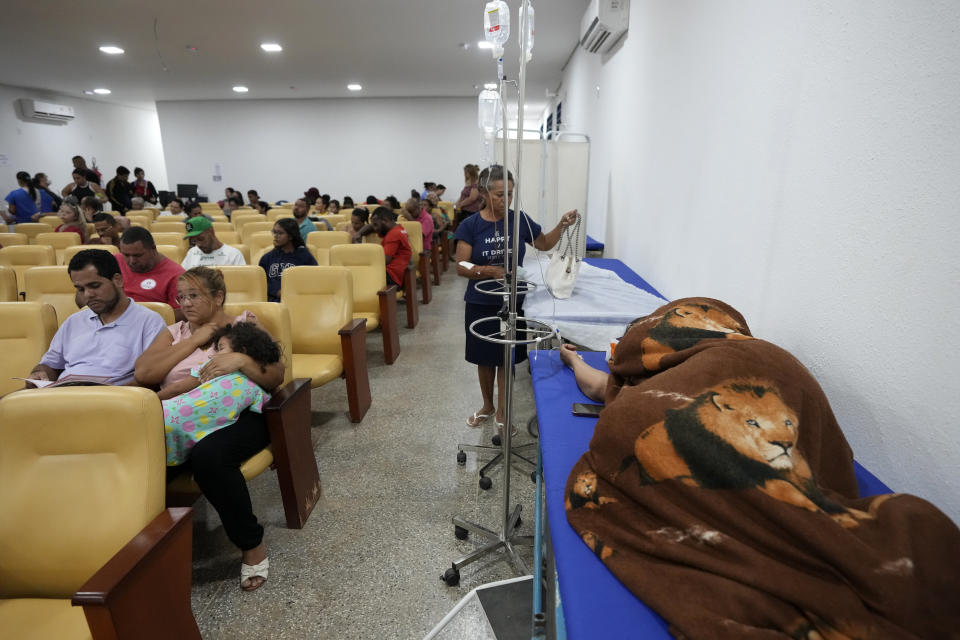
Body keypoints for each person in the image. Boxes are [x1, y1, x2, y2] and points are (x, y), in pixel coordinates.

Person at [135, 267, 284, 591]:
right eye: (181, 297)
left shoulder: (243, 324)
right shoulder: (174, 332)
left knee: (210, 458)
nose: (186, 304)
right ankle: (132, 557)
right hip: (175, 412)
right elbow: (145, 373)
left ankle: (251, 543)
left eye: (194, 296)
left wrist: (241, 362)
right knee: (129, 452)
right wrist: (199, 338)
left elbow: (275, 375)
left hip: (238, 413)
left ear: (218, 297)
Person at [455, 164, 578, 433]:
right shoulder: (470, 225)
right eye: (500, 194)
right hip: (480, 301)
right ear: (484, 194)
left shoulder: (519, 220)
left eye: (509, 194)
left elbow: (544, 244)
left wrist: (562, 225)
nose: (506, 200)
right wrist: (487, 271)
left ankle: (502, 412)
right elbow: (460, 265)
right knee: (483, 357)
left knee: (506, 357)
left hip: (513, 302)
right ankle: (487, 406)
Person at [28, 249, 166, 385]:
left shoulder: (149, 322)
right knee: (8, 402)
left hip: (111, 399)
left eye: (94, 286)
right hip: (62, 393)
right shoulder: (73, 321)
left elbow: (151, 377)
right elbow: (51, 366)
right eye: (80, 289)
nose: (88, 294)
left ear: (117, 280)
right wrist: (40, 373)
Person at [158, 321, 278, 468]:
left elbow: (177, 389)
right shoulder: (212, 369)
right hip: (168, 415)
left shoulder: (254, 382)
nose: (213, 357)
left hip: (172, 422)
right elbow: (176, 389)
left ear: (242, 350)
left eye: (220, 349)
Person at [117, 226, 186, 321]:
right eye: (126, 255)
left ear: (153, 249)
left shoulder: (176, 275)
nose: (132, 261)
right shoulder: (115, 262)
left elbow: (181, 314)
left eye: (138, 255)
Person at [259, 218, 317, 302]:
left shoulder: (305, 256)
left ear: (290, 236)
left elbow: (313, 281)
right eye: (274, 232)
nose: (275, 236)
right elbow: (260, 283)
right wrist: (276, 291)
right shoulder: (267, 258)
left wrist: (290, 293)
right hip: (272, 304)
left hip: (298, 301)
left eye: (280, 233)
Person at [371, 206, 411, 289]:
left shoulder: (393, 235)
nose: (375, 229)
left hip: (393, 276)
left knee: (359, 275)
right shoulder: (399, 229)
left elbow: (385, 260)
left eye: (376, 224)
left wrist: (368, 259)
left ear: (385, 220)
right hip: (396, 274)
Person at [181, 217, 246, 268]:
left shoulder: (234, 255)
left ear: (211, 231)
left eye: (200, 239)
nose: (198, 244)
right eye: (194, 241)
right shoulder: (192, 252)